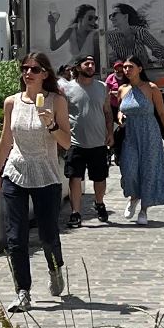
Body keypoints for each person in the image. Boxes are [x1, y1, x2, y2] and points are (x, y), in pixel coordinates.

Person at [0, 52, 71, 314]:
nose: (28, 73)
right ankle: (23, 291)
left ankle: (55, 268)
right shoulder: (11, 102)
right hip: (15, 172)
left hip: (46, 175)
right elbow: (6, 139)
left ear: (45, 74)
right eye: (25, 68)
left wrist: (50, 123)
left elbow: (66, 142)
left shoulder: (56, 101)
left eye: (34, 69)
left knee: (48, 235)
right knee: (16, 237)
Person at [117, 57, 164, 224]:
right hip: (130, 135)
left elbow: (162, 113)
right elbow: (120, 110)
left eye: (130, 67)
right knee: (129, 169)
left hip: (149, 133)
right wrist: (120, 117)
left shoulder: (151, 88)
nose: (127, 70)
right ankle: (134, 196)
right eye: (125, 67)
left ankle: (144, 209)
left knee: (148, 170)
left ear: (140, 69)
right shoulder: (122, 89)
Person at [61, 54, 113, 227]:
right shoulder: (67, 89)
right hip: (75, 142)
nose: (91, 66)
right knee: (75, 177)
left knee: (100, 178)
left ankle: (99, 203)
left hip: (98, 142)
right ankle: (75, 213)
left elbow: (107, 112)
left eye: (92, 63)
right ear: (78, 67)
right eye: (87, 63)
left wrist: (110, 133)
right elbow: (62, 114)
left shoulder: (102, 87)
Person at [109, 4, 164, 68]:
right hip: (124, 70)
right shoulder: (110, 36)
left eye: (114, 14)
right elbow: (111, 59)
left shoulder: (139, 31)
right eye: (110, 16)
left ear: (125, 16)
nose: (111, 18)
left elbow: (157, 49)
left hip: (144, 70)